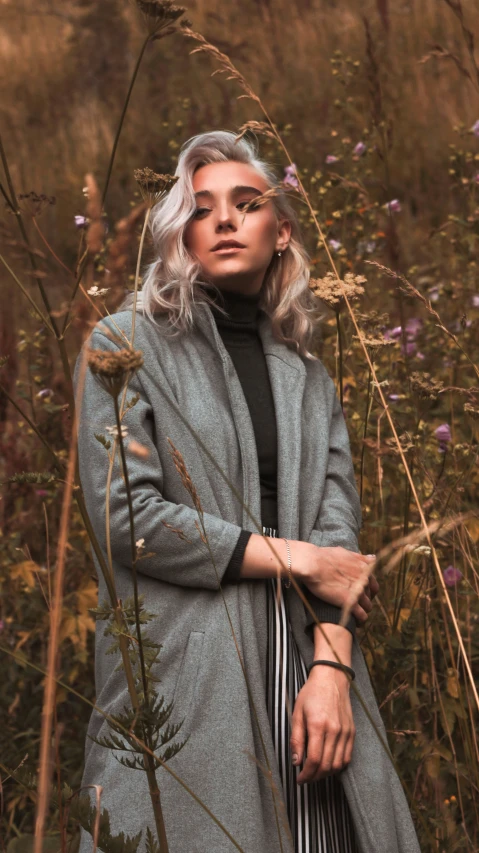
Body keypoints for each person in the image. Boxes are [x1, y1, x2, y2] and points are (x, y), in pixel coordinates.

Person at [75, 130, 421, 853]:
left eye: (246, 202)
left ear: (281, 229)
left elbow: (339, 538)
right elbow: (126, 517)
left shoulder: (307, 376)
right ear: (180, 234)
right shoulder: (122, 344)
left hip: (307, 660)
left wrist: (330, 669)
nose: (224, 219)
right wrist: (294, 558)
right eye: (200, 209)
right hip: (187, 671)